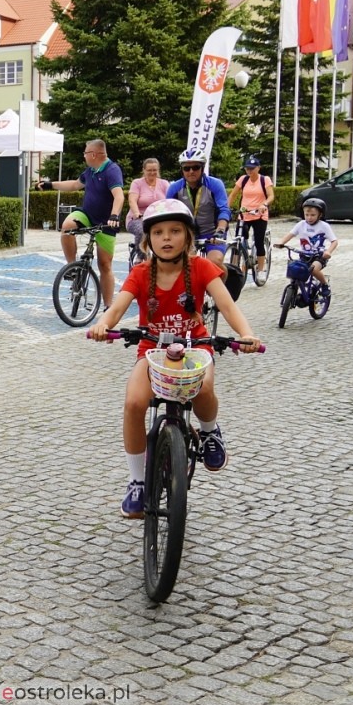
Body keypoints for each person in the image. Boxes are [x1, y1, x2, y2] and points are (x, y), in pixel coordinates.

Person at [87, 199, 261, 518]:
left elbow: (227, 305)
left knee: (204, 388)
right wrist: (103, 325)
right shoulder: (141, 274)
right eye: (159, 232)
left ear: (188, 237)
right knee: (133, 404)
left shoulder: (202, 268)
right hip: (152, 352)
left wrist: (246, 334)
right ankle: (137, 481)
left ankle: (209, 431)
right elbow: (117, 307)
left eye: (175, 231)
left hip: (195, 347)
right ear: (148, 240)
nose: (166, 238)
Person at [36, 139, 124, 307]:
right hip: (87, 215)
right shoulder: (90, 170)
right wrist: (50, 185)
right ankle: (73, 268)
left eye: (85, 153)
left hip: (106, 222)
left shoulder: (112, 170)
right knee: (67, 226)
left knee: (104, 265)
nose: (83, 156)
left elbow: (119, 196)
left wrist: (114, 216)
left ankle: (108, 307)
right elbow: (76, 184)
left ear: (93, 154)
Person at [166, 149, 231, 271]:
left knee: (215, 263)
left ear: (202, 168)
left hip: (213, 232)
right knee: (186, 263)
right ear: (182, 170)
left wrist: (220, 230)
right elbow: (168, 214)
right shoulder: (174, 188)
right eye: (186, 168)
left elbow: (224, 210)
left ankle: (220, 289)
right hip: (187, 234)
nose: (191, 171)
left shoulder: (215, 184)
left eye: (195, 167)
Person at [273, 198, 338, 297]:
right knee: (296, 271)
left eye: (313, 215)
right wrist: (281, 242)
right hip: (304, 255)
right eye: (306, 215)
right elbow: (290, 235)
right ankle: (296, 293)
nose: (309, 218)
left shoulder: (324, 226)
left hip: (319, 256)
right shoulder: (301, 224)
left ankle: (325, 284)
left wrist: (328, 252)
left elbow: (334, 241)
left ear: (320, 215)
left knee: (314, 269)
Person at [227, 155, 275, 283]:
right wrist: (226, 209)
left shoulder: (265, 180)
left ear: (258, 168)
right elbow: (232, 195)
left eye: (252, 169)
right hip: (244, 214)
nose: (249, 171)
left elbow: (271, 196)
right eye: (247, 169)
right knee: (239, 241)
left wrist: (264, 204)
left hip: (259, 215)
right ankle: (234, 269)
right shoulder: (243, 180)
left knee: (259, 242)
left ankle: (260, 271)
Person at [127, 158, 170, 252]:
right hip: (138, 218)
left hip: (158, 218)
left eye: (154, 170)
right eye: (149, 170)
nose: (152, 172)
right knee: (143, 231)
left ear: (158, 170)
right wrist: (137, 214)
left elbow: (169, 201)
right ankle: (139, 256)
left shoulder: (164, 183)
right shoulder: (137, 183)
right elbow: (132, 201)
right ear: (144, 170)